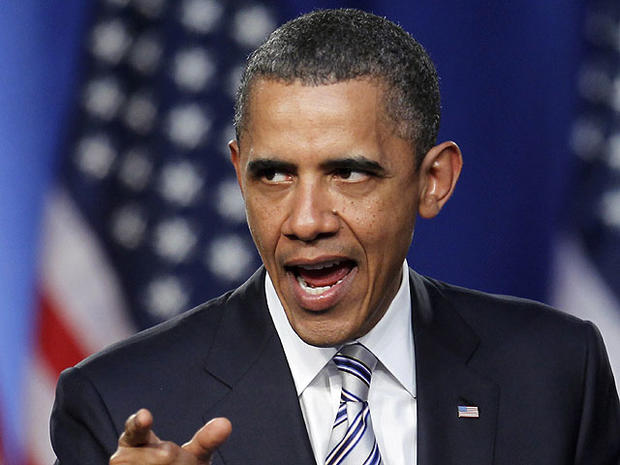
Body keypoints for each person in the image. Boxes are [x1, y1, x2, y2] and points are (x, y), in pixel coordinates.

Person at [50, 8, 620, 465]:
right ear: (237, 174)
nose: (305, 220)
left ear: (433, 181)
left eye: (348, 172)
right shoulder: (116, 404)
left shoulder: (558, 373)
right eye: (273, 174)